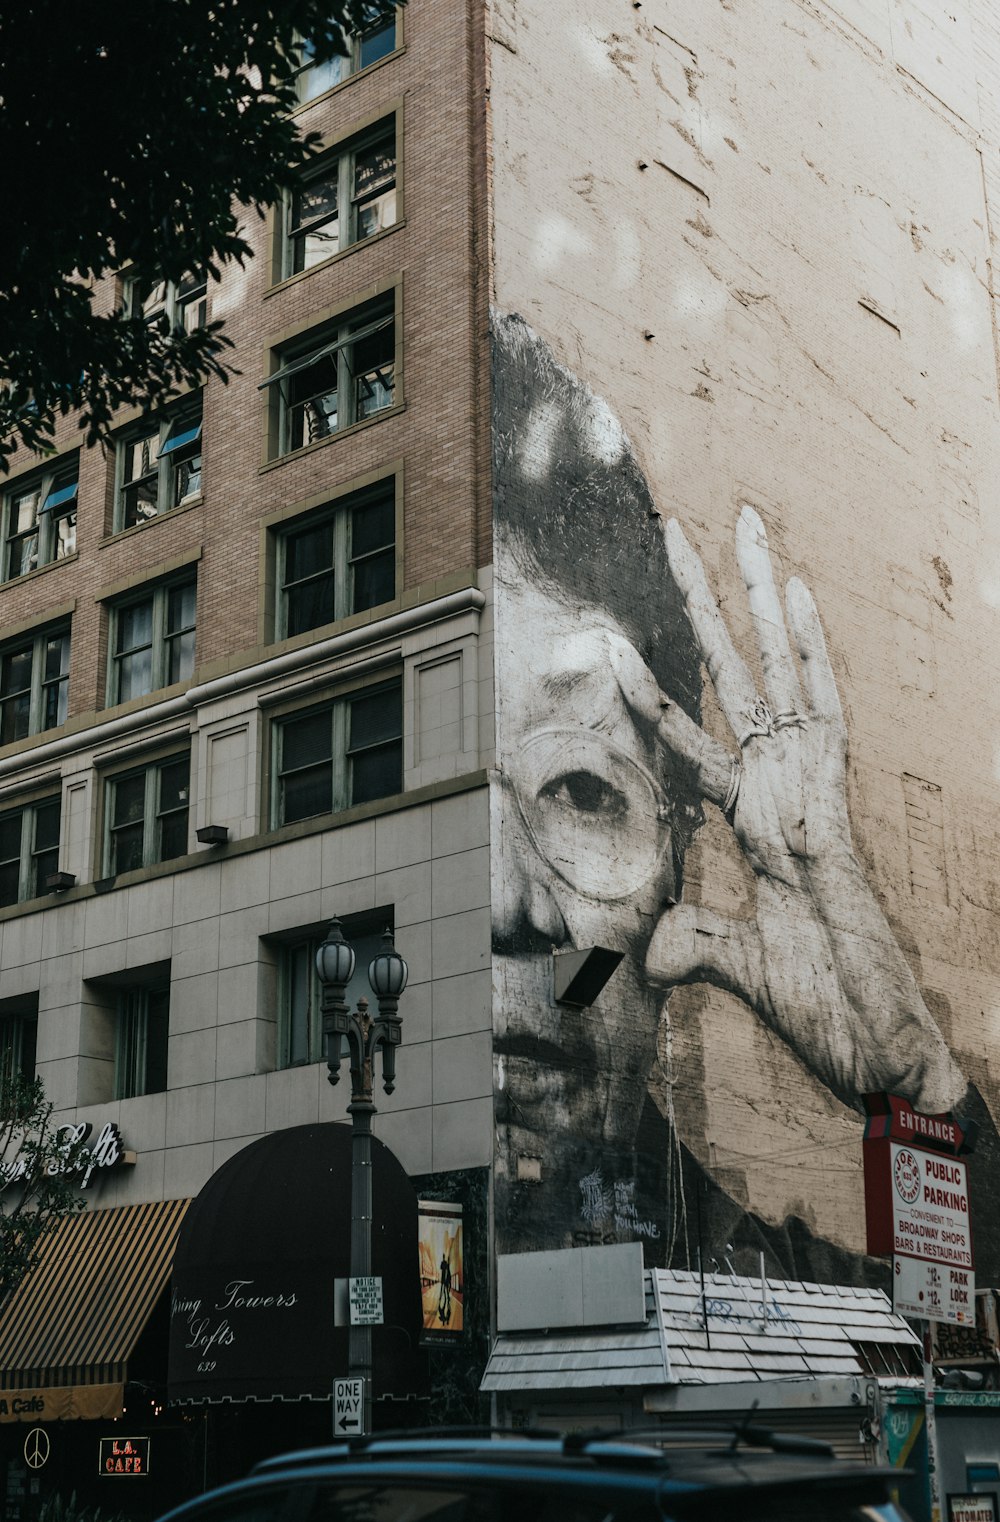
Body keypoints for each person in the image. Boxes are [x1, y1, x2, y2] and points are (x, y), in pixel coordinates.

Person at [491, 311, 998, 1284]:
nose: (511, 901)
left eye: (582, 789)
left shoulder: (782, 1287)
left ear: (679, 858)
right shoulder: (348, 1223)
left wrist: (913, 1080)